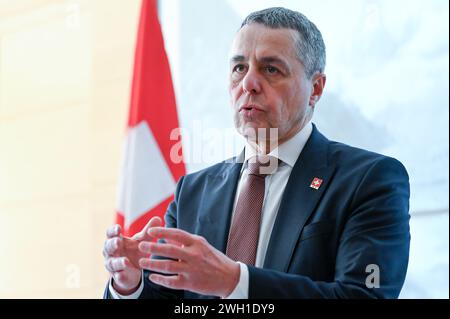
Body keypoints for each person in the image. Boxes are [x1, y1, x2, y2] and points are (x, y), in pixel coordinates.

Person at [103, 7, 410, 299]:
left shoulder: (370, 181)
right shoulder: (192, 193)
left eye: (271, 69)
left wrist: (235, 281)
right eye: (239, 67)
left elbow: (365, 294)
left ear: (315, 88)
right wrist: (129, 284)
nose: (248, 83)